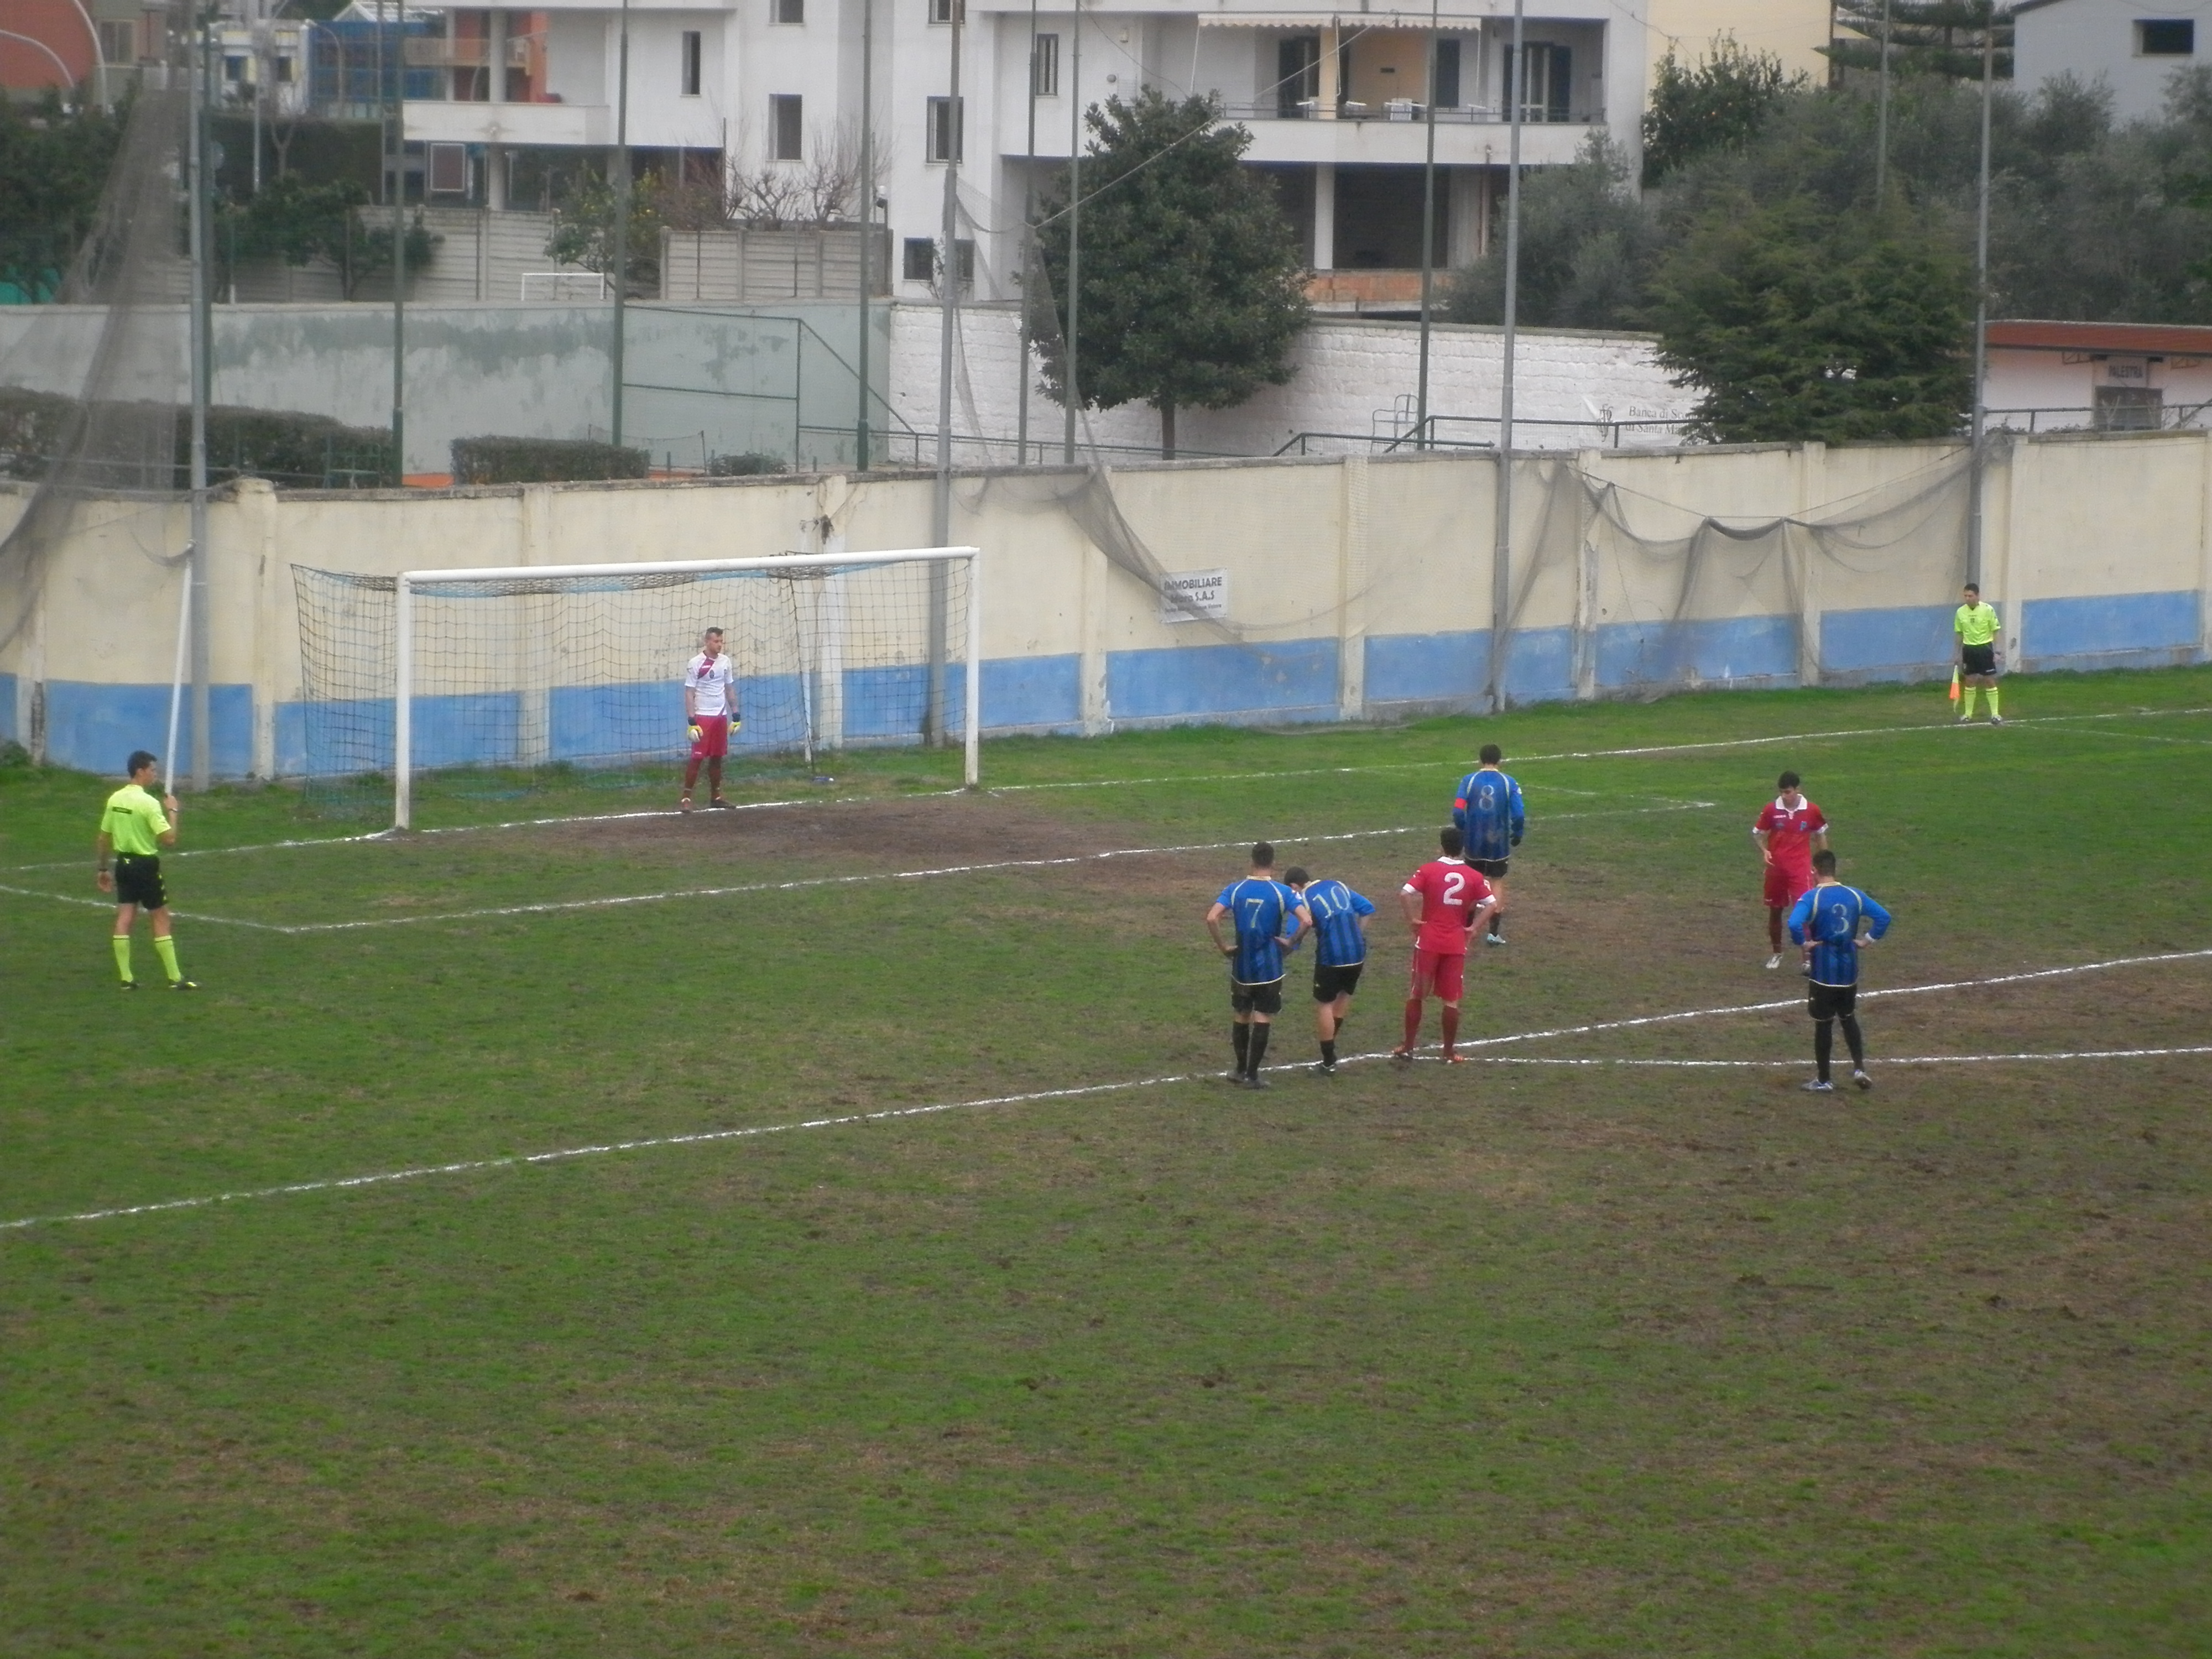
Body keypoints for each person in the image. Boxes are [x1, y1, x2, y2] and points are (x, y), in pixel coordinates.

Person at [1204, 843, 1311, 1089]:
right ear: (1273, 863)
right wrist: (1290, 942)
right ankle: (1253, 1076)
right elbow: (1306, 920)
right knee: (1263, 1015)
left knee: (1242, 1014)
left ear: (1252, 862)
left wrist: (1223, 946)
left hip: (1242, 966)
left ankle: (1239, 1070)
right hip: (1269, 968)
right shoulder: (1283, 892)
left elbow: (1211, 918)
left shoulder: (1235, 889)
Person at [1786, 849, 1891, 1094]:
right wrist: (1866, 940)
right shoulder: (1855, 895)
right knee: (1848, 1017)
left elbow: (1793, 923)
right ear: (1835, 869)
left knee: (1823, 1024)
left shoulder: (1811, 898)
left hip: (1824, 972)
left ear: (1814, 871)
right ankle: (1859, 1069)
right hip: (1849, 970)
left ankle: (1824, 1080)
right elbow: (1884, 917)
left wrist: (1804, 943)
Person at [1392, 826, 1496, 1065]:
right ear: (1462, 848)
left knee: (1417, 994)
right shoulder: (1473, 876)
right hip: (1455, 944)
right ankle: (1448, 1052)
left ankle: (1408, 1047)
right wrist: (1474, 927)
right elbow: (1491, 903)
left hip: (1428, 942)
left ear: (1441, 846)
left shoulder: (1428, 870)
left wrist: (1412, 920)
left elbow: (1405, 894)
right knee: (1451, 999)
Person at [96, 750, 194, 990]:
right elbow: (169, 839)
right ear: (140, 771)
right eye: (152, 770)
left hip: (123, 865)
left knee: (125, 917)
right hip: (145, 866)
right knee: (161, 917)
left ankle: (126, 978)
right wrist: (173, 811)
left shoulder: (115, 799)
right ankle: (175, 979)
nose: (155, 775)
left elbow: (103, 837)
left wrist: (103, 868)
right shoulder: (148, 803)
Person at [1282, 866, 1375, 1076]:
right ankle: (1330, 1046)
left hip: (1331, 955)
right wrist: (1358, 935)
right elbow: (1368, 909)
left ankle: (1328, 1061)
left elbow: (1295, 934)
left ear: (1294, 886)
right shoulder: (1338, 885)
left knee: (1324, 1004)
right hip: (1357, 952)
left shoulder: (1302, 898)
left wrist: (1285, 949)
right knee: (1344, 995)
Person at [1752, 770, 1829, 971]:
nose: (1784, 796)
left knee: (1804, 912)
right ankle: (1777, 953)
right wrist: (1765, 851)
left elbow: (1820, 835)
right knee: (1775, 911)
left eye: (1788, 792)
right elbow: (1757, 834)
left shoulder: (1811, 810)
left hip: (1800, 869)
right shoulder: (1771, 809)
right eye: (1782, 792)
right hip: (1776, 869)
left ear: (1797, 789)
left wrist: (1823, 865)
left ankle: (1807, 959)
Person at [1451, 743, 1524, 946]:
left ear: (1480, 760)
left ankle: (1465, 930)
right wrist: (1518, 833)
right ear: (1500, 760)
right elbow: (1519, 815)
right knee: (1496, 882)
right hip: (1498, 842)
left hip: (1474, 841)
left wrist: (1464, 828)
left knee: (1473, 883)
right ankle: (1493, 934)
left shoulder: (1468, 781)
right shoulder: (1509, 782)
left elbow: (1458, 810)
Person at [681, 627, 742, 811]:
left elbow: (729, 689)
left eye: (721, 641)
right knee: (697, 758)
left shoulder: (725, 662)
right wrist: (692, 721)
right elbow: (689, 692)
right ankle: (686, 798)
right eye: (716, 641)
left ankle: (716, 796)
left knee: (717, 758)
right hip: (703, 717)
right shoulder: (696, 663)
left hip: (720, 717)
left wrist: (736, 715)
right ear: (707, 642)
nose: (720, 645)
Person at [1953, 582, 2005, 724]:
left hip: (1985, 649)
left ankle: (1995, 714)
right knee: (1969, 681)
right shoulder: (1960, 612)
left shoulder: (1988, 610)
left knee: (1989, 680)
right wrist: (1957, 653)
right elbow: (1959, 633)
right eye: (1965, 596)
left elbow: (1996, 631)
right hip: (1969, 649)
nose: (1967, 598)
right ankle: (1968, 714)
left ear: (1977, 596)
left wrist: (1998, 651)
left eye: (1970, 596)